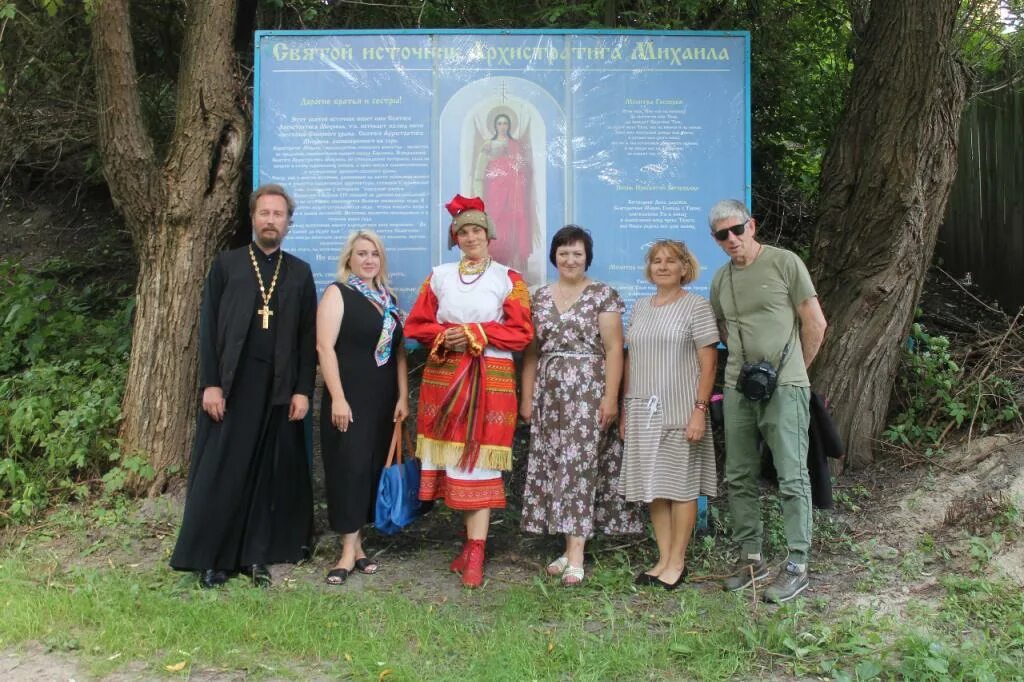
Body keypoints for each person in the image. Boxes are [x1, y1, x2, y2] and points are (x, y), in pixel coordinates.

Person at [170, 183, 317, 588]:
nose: (271, 221)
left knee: (265, 475)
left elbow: (307, 339)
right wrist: (211, 384)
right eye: (264, 213)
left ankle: (255, 556)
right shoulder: (227, 265)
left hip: (278, 390)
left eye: (279, 215)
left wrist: (303, 389)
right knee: (223, 471)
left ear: (289, 223)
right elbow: (208, 332)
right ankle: (212, 558)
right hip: (232, 389)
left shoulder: (300, 273)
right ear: (253, 217)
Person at [405, 194, 533, 588]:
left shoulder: (509, 279)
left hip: (488, 379)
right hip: (444, 377)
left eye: (477, 230)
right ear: (455, 237)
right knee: (456, 464)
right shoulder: (439, 276)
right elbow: (415, 325)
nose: (471, 236)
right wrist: (448, 336)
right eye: (464, 231)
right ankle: (468, 544)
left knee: (478, 462)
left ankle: (477, 552)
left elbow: (521, 332)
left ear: (489, 235)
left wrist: (477, 333)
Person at [707, 199, 827, 604]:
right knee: (739, 475)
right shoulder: (721, 280)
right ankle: (751, 558)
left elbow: (815, 321)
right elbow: (723, 327)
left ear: (751, 225)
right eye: (722, 234)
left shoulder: (784, 263)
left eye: (737, 229)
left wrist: (796, 373)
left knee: (792, 475)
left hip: (785, 387)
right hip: (739, 387)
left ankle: (797, 564)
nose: (732, 239)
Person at [519, 225, 643, 586]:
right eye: (563, 252)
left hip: (588, 392)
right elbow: (530, 353)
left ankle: (576, 555)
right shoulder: (539, 297)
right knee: (555, 465)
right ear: (554, 256)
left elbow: (614, 351)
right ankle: (566, 545)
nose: (570, 259)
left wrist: (610, 398)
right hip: (548, 394)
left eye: (577, 253)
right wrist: (526, 398)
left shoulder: (602, 295)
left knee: (580, 467)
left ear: (587, 257)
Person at [619, 239, 719, 590]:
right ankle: (662, 558)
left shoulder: (697, 307)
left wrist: (699, 410)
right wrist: (625, 409)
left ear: (683, 268)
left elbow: (709, 363)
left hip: (680, 409)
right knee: (654, 489)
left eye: (670, 261)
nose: (662, 266)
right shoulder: (641, 308)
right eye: (656, 261)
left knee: (681, 488)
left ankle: (678, 562)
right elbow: (632, 359)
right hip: (643, 412)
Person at [316, 230, 409, 586]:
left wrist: (403, 397)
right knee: (349, 469)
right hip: (349, 398)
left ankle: (358, 548)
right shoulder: (338, 294)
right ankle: (346, 552)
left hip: (383, 399)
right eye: (361, 254)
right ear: (348, 260)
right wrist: (338, 397)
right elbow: (325, 349)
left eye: (374, 254)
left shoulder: (388, 300)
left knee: (369, 469)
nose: (369, 260)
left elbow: (399, 353)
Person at [473, 113, 532, 274]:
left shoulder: (515, 145)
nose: (502, 126)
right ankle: (493, 261)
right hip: (495, 191)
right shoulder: (488, 145)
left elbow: (522, 167)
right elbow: (480, 170)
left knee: (513, 223)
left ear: (509, 125)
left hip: (514, 193)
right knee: (496, 222)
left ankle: (513, 264)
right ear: (495, 126)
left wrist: (517, 175)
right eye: (499, 123)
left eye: (505, 123)